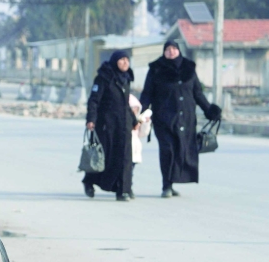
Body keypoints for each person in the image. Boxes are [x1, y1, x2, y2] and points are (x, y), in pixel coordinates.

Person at [139, 40, 221, 197]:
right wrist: (139, 113)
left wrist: (209, 110)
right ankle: (166, 185)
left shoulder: (189, 68)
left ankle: (172, 181)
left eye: (174, 49)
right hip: (164, 118)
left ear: (179, 51)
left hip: (186, 118)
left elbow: (197, 93)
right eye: (168, 49)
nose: (171, 51)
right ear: (164, 52)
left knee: (181, 150)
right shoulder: (156, 69)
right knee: (167, 150)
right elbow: (147, 93)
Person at [84, 51, 136, 201]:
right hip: (107, 124)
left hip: (124, 125)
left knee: (125, 157)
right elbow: (94, 100)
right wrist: (91, 119)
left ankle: (124, 189)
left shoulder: (126, 79)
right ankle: (89, 181)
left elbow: (125, 103)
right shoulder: (103, 78)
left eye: (127, 60)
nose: (125, 63)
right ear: (115, 61)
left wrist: (134, 120)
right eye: (122, 60)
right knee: (104, 157)